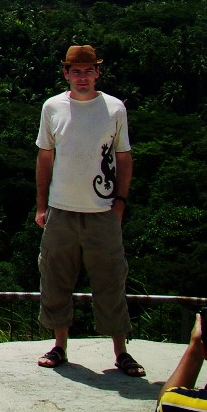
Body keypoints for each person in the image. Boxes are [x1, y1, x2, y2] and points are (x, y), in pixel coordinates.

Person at [34, 42, 139, 374]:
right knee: (55, 277)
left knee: (110, 279)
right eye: (76, 71)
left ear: (97, 72)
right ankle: (59, 345)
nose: (83, 77)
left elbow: (123, 157)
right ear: (66, 73)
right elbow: (44, 156)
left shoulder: (114, 109)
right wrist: (41, 206)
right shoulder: (52, 107)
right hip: (61, 209)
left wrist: (120, 203)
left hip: (102, 209)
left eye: (88, 71)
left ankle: (120, 350)